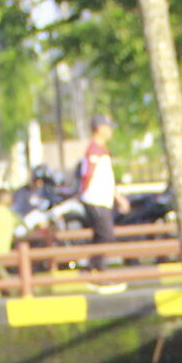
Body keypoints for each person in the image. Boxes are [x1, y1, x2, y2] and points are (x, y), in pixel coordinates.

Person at [77, 116, 121, 270]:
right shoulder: (94, 150)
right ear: (100, 128)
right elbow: (87, 174)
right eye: (108, 127)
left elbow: (107, 179)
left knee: (101, 236)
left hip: (103, 199)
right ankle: (97, 268)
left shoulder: (101, 150)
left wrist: (119, 197)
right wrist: (83, 192)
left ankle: (94, 268)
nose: (111, 131)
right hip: (95, 199)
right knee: (105, 235)